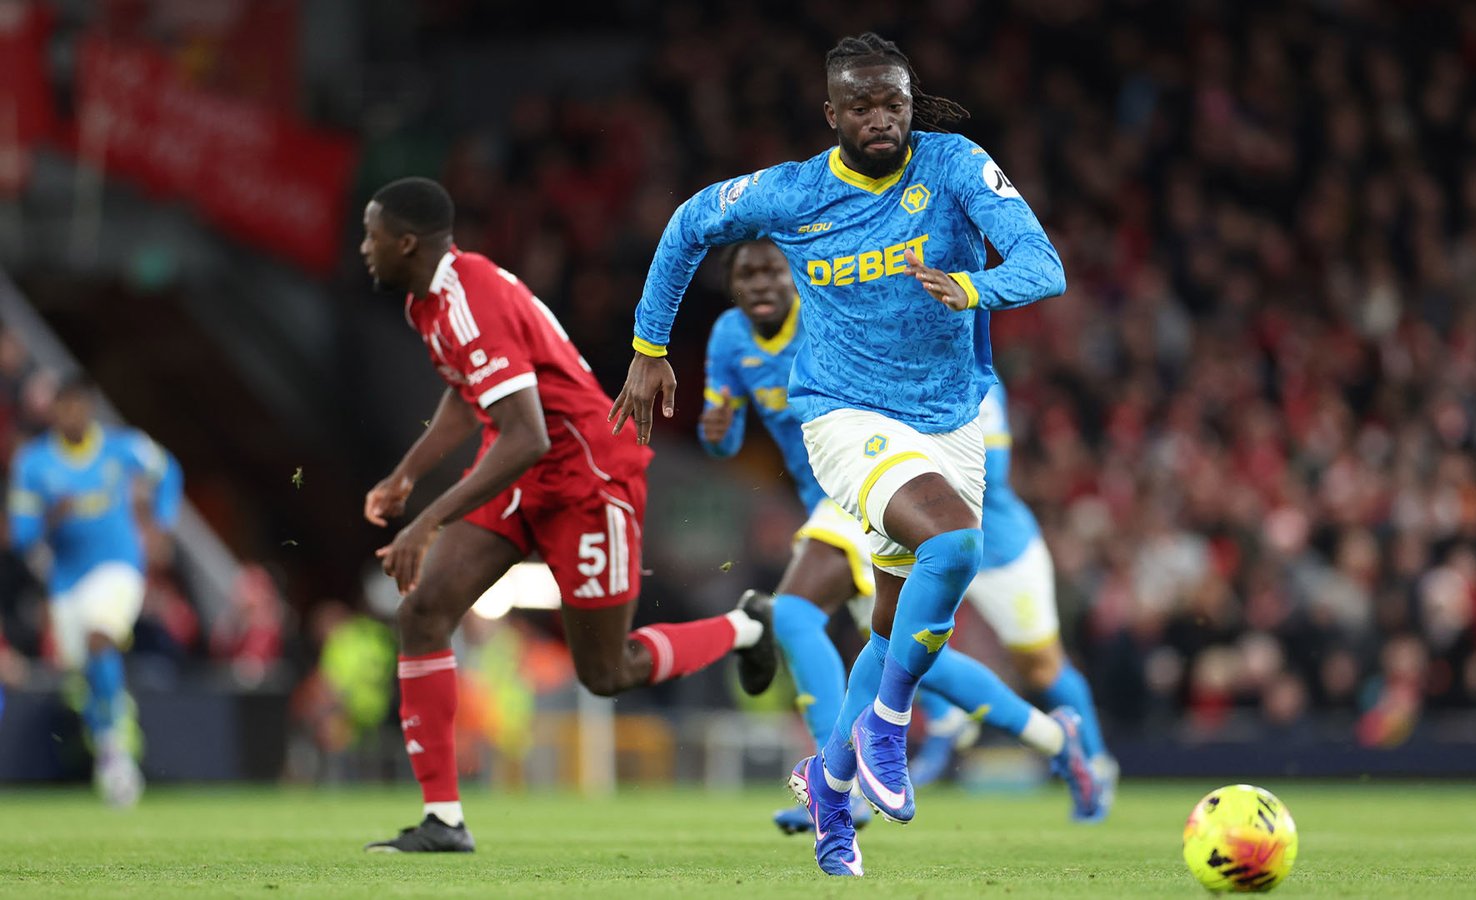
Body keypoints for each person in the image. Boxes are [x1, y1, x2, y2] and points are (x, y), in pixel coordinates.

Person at [611, 32, 1076, 875]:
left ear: (910, 103)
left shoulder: (955, 167)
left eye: (892, 103)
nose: (880, 119)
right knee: (954, 540)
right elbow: (687, 226)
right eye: (860, 106)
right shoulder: (791, 194)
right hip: (842, 414)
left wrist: (977, 287)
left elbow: (1043, 265)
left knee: (900, 627)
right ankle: (887, 731)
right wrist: (649, 345)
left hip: (949, 418)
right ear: (832, 114)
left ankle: (830, 788)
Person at [357, 177, 776, 853]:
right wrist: (407, 474)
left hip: (587, 476)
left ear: (406, 242)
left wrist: (426, 520)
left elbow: (530, 435)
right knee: (424, 612)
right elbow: (470, 398)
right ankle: (444, 819)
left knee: (606, 674)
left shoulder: (469, 300)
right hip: (522, 471)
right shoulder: (427, 303)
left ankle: (745, 628)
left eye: (371, 234)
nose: (363, 248)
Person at [699, 240, 1110, 836]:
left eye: (774, 270)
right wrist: (717, 430)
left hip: (875, 480)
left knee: (792, 612)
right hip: (832, 500)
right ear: (733, 286)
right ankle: (1055, 737)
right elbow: (723, 436)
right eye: (746, 274)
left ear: (800, 278)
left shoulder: (830, 316)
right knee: (908, 656)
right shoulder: (728, 339)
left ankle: (833, 781)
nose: (761, 283)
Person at [6, 375, 182, 807]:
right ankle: (110, 740)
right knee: (84, 676)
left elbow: (169, 470)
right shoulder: (33, 464)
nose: (72, 414)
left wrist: (159, 522)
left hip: (120, 567)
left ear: (90, 407)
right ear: (54, 412)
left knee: (100, 637)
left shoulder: (123, 448)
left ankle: (117, 754)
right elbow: (22, 537)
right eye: (64, 407)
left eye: (79, 406)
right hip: (66, 580)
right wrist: (51, 516)